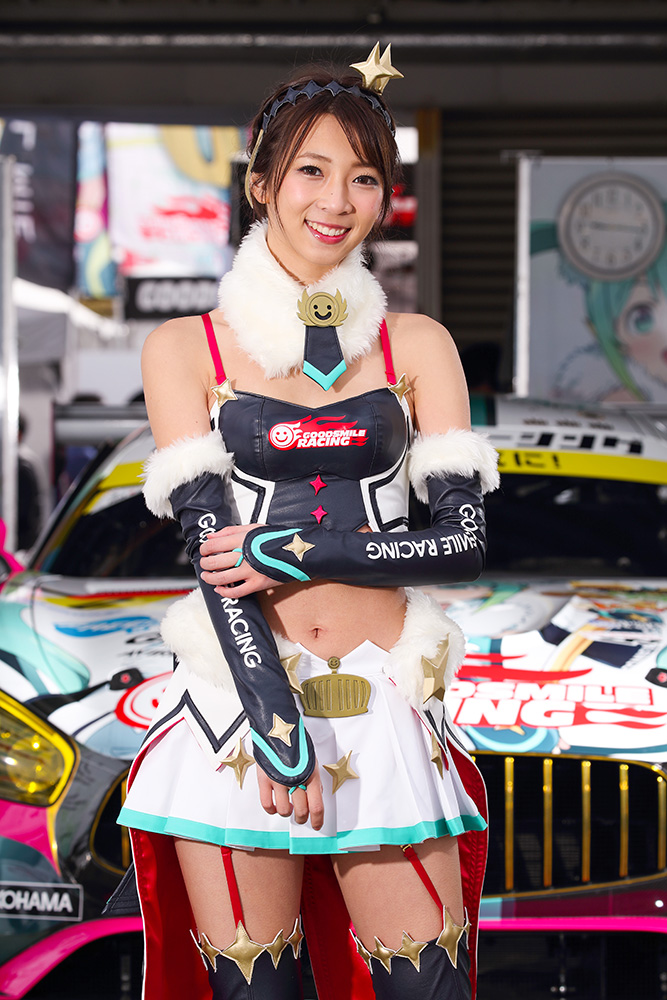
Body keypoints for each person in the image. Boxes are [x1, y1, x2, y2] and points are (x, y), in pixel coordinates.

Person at [117, 45, 498, 1000]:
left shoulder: (418, 343)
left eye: (364, 177)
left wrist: (298, 549)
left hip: (386, 705)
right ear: (260, 185)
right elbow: (214, 556)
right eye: (311, 172)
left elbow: (461, 542)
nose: (337, 201)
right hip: (238, 706)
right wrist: (275, 720)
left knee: (429, 989)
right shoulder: (184, 348)